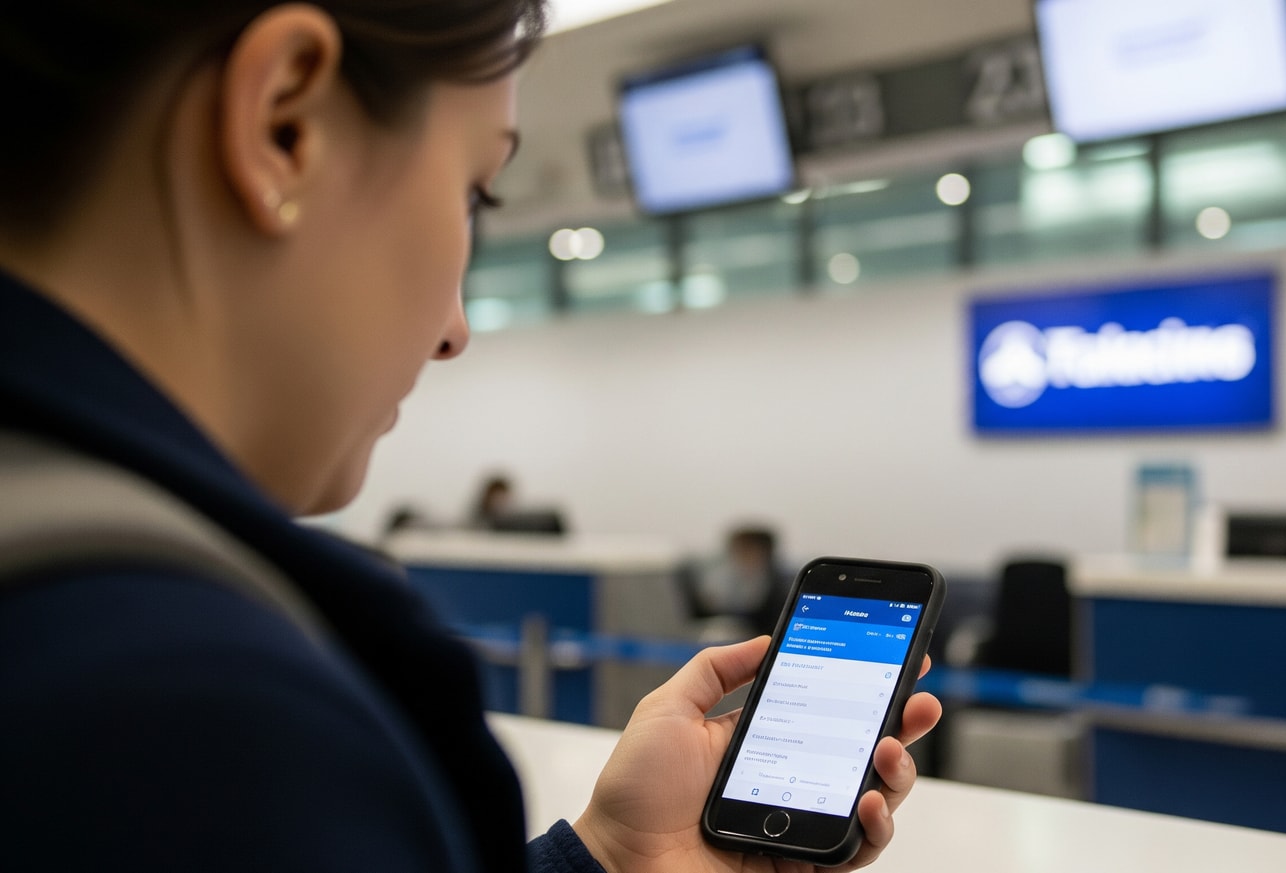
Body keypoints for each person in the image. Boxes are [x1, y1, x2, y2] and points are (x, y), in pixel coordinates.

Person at [0, 3, 941, 871]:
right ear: (284, 125)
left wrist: (612, 856)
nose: (455, 328)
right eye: (473, 194)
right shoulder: (197, 719)